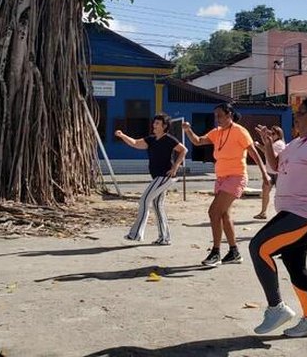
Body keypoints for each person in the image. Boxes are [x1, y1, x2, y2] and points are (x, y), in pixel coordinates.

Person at [249, 98, 307, 338]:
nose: (296, 116)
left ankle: (276, 308)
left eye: (300, 113)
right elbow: (276, 166)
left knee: (258, 247)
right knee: (296, 267)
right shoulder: (295, 144)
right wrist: (269, 145)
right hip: (291, 212)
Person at [182, 103, 270, 267]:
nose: (217, 119)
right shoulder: (217, 132)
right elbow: (198, 141)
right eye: (215, 116)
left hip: (236, 176)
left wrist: (264, 173)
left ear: (229, 114)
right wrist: (188, 130)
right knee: (224, 215)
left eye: (220, 115)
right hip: (221, 178)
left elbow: (253, 152)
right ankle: (234, 252)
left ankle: (216, 252)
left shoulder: (239, 131)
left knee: (213, 211)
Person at [115, 114, 187, 245]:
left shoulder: (169, 139)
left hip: (164, 176)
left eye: (158, 123)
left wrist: (175, 167)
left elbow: (183, 150)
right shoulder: (152, 139)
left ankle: (136, 234)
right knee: (157, 205)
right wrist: (122, 135)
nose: (154, 125)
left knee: (144, 200)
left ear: (164, 126)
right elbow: (136, 143)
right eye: (154, 123)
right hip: (157, 177)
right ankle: (164, 238)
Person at [253, 126, 285, 220]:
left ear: (279, 135)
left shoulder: (279, 144)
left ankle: (280, 214)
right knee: (265, 192)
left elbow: (271, 154)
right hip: (271, 171)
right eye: (270, 133)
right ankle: (263, 212)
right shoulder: (274, 143)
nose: (271, 135)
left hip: (277, 172)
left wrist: (259, 145)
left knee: (278, 194)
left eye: (273, 133)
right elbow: (267, 152)